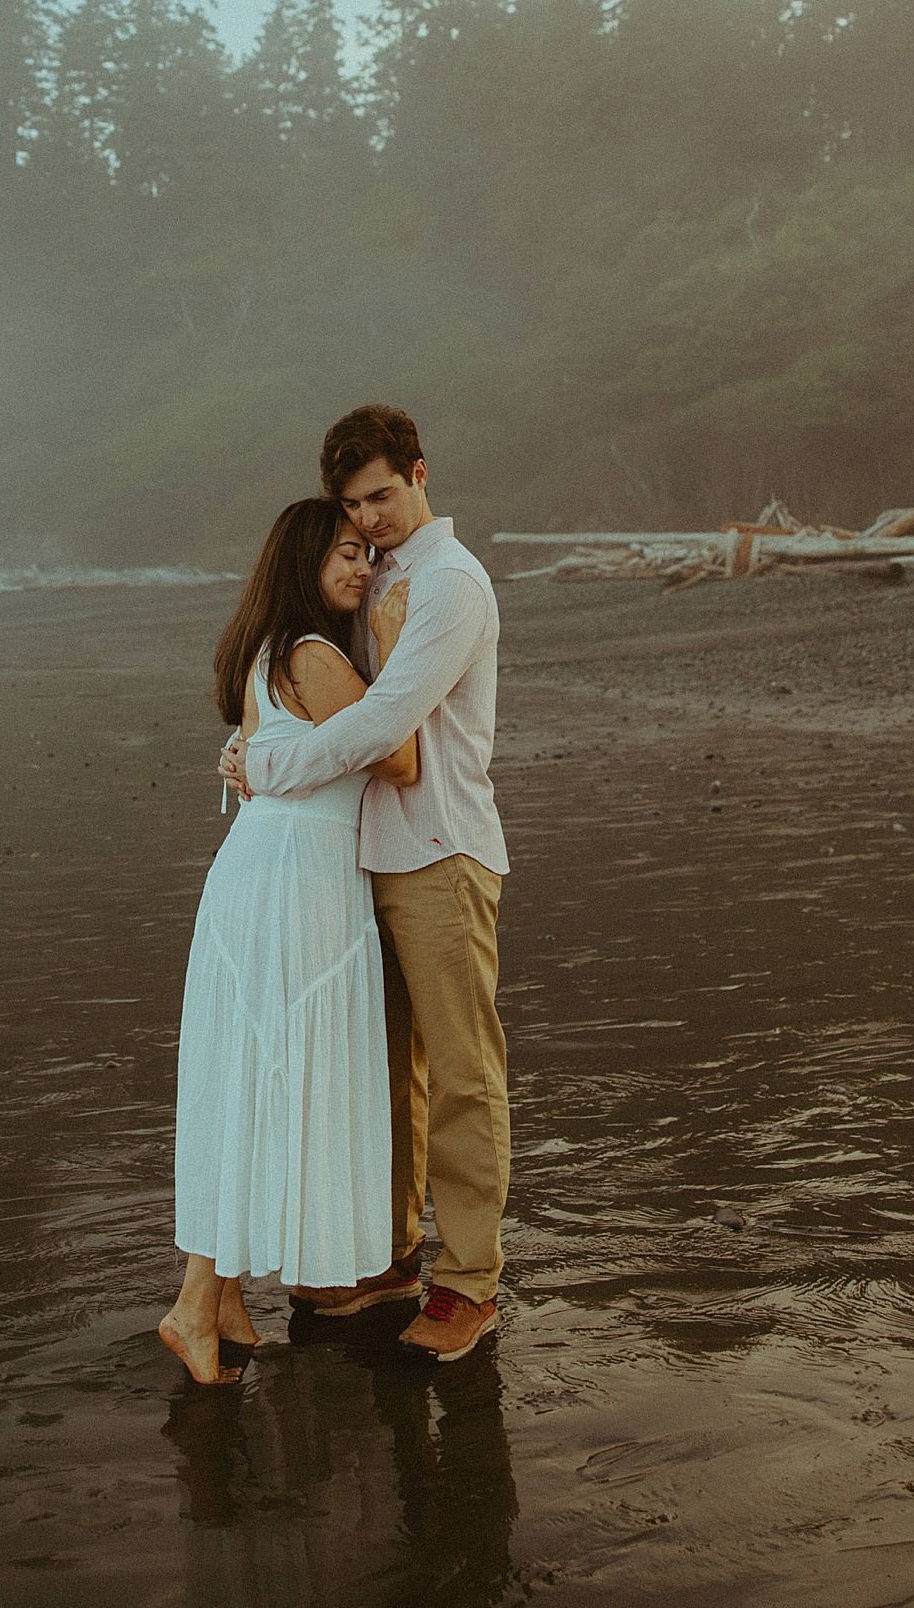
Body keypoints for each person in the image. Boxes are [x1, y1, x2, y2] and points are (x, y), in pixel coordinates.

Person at [225, 406, 510, 1363]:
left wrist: (269, 766)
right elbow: (316, 681)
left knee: (463, 1072)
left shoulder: (452, 585)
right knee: (382, 1072)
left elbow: (387, 719)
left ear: (421, 473)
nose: (372, 518)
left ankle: (469, 1281)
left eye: (383, 494)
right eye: (353, 504)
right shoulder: (368, 577)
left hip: (439, 850)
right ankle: (389, 1254)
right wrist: (250, 739)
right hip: (357, 860)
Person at [160, 497, 418, 1386]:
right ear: (303, 564)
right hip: (294, 887)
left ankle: (223, 1295)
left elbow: (296, 751)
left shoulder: (268, 655)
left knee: (253, 1075)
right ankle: (195, 1305)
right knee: (270, 1075)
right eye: (344, 554)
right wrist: (389, 646)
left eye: (365, 554)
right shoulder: (312, 655)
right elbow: (400, 756)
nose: (360, 568)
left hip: (265, 874)